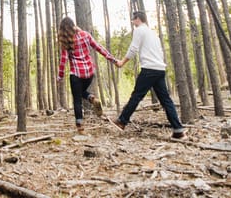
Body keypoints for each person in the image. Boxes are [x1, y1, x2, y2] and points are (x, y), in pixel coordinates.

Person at [112, 10, 186, 140]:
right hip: (159, 69)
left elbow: (133, 48)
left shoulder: (139, 30)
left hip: (149, 69)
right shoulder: (153, 33)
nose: (133, 23)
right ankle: (178, 130)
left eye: (133, 20)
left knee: (136, 96)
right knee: (166, 100)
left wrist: (122, 62)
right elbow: (159, 52)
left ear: (138, 19)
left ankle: (122, 121)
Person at [56, 17, 118, 133]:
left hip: (76, 74)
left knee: (77, 99)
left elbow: (63, 60)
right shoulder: (85, 35)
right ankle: (92, 98)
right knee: (81, 93)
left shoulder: (66, 42)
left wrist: (60, 76)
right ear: (74, 25)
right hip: (89, 73)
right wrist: (113, 60)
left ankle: (80, 127)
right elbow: (99, 48)